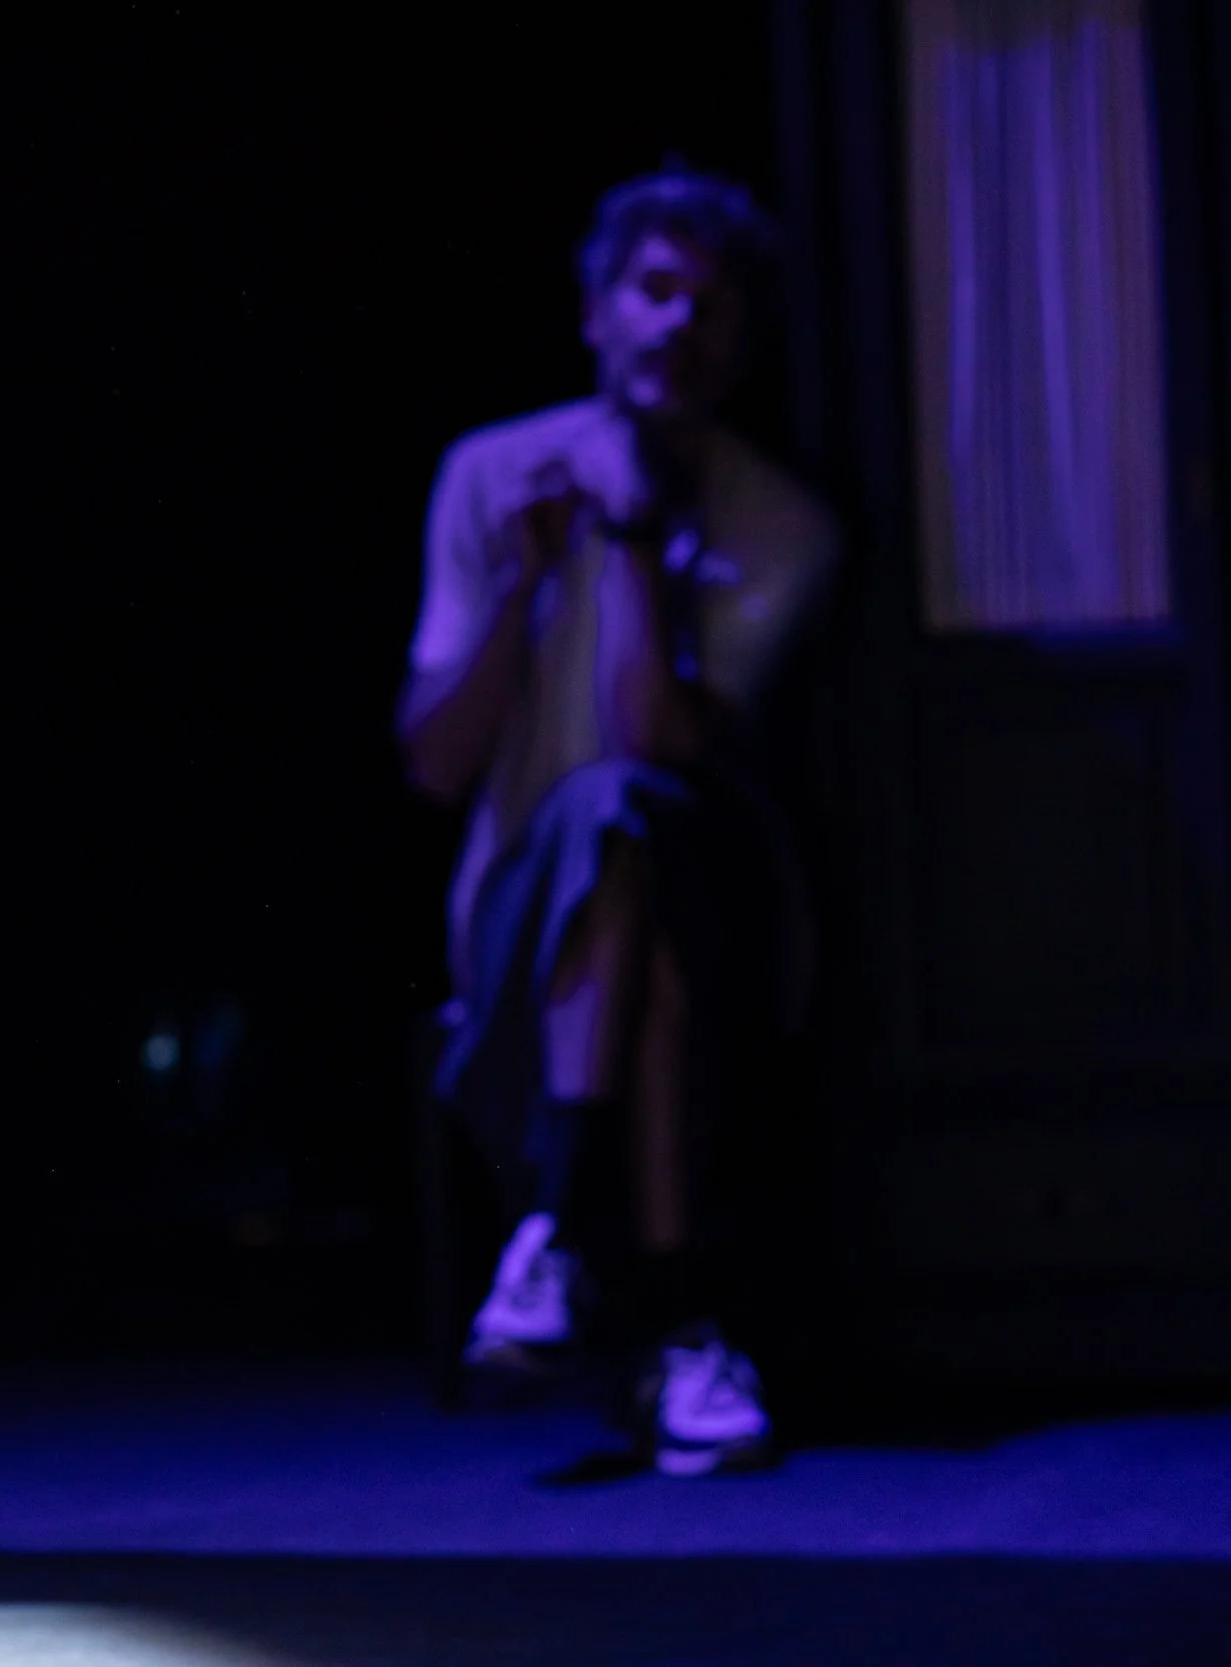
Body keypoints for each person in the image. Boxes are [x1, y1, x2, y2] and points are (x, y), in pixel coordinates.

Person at [399, 172, 838, 1476]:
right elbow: (435, 760)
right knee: (603, 855)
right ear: (596, 312)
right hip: (521, 919)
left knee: (628, 821)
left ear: (743, 344)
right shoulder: (488, 475)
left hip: (725, 912)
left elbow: (655, 741)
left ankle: (555, 1236)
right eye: (655, 292)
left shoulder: (782, 527)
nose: (678, 329)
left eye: (713, 309)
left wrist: (634, 528)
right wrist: (528, 576)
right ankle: (684, 1328)